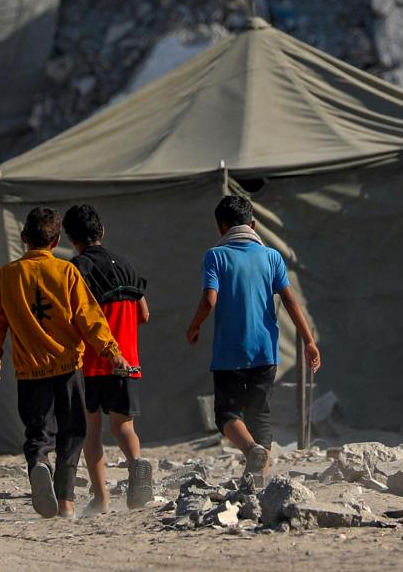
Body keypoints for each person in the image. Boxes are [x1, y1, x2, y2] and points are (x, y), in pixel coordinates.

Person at [0, 206, 133, 520]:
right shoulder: (66, 272)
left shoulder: (7, 276)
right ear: (56, 241)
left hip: (29, 370)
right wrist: (111, 351)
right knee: (72, 432)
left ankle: (39, 463)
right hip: (67, 368)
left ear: (23, 238)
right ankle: (65, 503)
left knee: (38, 432)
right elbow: (89, 318)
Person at [185, 193, 321, 482]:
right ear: (253, 225)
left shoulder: (215, 256)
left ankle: (250, 450)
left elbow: (209, 299)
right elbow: (290, 300)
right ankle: (258, 480)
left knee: (227, 414)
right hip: (265, 351)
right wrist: (309, 341)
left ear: (221, 227)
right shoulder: (272, 257)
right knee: (260, 415)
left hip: (229, 352)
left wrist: (194, 327)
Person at [62, 203, 154, 514]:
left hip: (90, 363)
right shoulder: (127, 265)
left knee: (92, 430)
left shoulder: (77, 268)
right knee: (124, 426)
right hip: (127, 360)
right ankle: (137, 464)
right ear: (101, 230)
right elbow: (144, 314)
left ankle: (101, 498)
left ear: (70, 238)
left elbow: (73, 316)